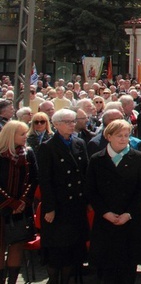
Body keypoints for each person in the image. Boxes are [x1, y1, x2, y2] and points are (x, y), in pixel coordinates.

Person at [85, 120, 141, 284]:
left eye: (126, 135)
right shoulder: (97, 159)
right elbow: (91, 190)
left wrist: (128, 214)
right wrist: (105, 212)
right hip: (106, 220)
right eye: (119, 135)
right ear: (108, 136)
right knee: (107, 269)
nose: (123, 139)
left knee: (128, 268)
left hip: (130, 219)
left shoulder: (137, 157)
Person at [37, 109, 90, 284]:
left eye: (73, 121)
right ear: (56, 124)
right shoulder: (47, 146)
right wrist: (50, 208)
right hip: (58, 207)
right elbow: (45, 180)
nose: (71, 125)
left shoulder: (79, 143)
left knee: (72, 251)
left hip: (76, 205)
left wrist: (87, 201)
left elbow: (85, 173)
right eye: (67, 122)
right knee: (57, 251)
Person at [0, 121, 38, 284]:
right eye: (22, 134)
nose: (25, 137)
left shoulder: (28, 153)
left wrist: (22, 201)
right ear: (10, 136)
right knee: (0, 247)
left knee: (17, 245)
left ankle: (13, 281)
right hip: (2, 207)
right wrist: (10, 202)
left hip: (22, 208)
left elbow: (34, 178)